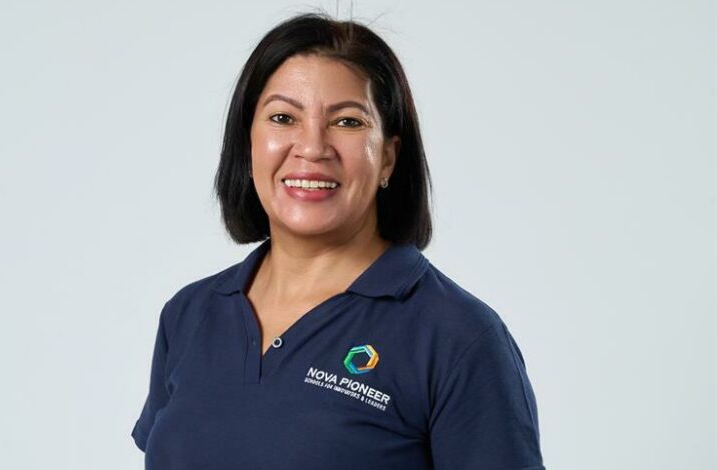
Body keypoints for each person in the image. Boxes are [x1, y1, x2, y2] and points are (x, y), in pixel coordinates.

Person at [131, 12, 546, 470]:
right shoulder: (189, 316)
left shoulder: (458, 337)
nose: (312, 148)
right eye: (283, 118)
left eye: (347, 122)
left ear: (388, 157)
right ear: (248, 144)